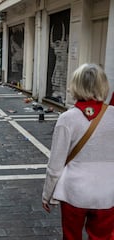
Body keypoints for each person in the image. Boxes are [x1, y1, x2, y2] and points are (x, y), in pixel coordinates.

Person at [42, 63, 114, 240]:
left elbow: (55, 164)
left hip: (74, 192)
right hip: (107, 192)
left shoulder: (67, 119)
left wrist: (47, 194)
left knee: (71, 236)